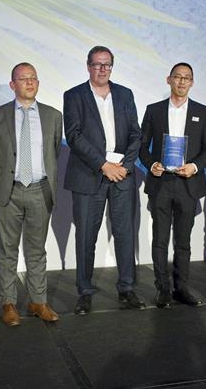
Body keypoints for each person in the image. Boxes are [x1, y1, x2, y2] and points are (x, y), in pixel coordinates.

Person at [64, 45, 144, 314]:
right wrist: (103, 165)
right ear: (88, 66)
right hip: (89, 175)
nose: (102, 69)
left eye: (107, 64)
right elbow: (74, 136)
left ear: (112, 66)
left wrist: (125, 165)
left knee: (124, 234)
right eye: (97, 64)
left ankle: (127, 289)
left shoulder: (124, 94)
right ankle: (84, 291)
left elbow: (136, 133)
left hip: (122, 174)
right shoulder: (73, 95)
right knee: (87, 235)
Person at [0, 63, 63, 326]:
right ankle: (8, 303)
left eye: (33, 78)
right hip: (9, 190)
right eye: (23, 79)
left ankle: (38, 302)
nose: (30, 83)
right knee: (7, 250)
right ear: (13, 85)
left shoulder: (54, 116)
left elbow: (54, 152)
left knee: (36, 251)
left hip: (40, 190)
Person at [139, 63, 206, 308]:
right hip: (161, 183)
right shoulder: (154, 111)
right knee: (160, 240)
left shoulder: (204, 112)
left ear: (192, 82)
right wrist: (151, 165)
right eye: (177, 77)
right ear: (168, 80)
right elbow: (141, 146)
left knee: (183, 241)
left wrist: (195, 166)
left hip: (188, 184)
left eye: (187, 78)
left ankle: (181, 287)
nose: (182, 82)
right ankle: (162, 289)